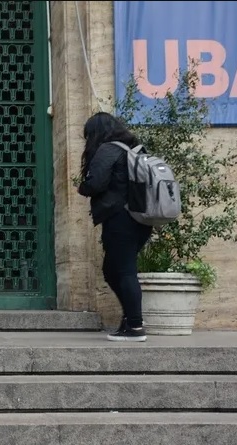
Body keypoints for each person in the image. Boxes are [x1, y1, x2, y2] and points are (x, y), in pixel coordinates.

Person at [77, 111, 152, 342]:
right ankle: (130, 318)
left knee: (125, 270)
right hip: (140, 220)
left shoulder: (108, 149)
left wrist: (83, 187)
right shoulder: (135, 150)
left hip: (121, 219)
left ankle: (136, 326)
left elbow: (96, 183)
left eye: (89, 135)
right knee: (112, 270)